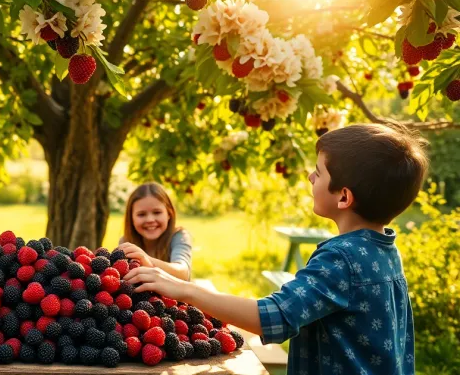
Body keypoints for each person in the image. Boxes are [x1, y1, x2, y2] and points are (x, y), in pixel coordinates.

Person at [125, 123, 428, 375]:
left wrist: (184, 290)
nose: (311, 176)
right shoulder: (385, 250)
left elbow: (274, 317)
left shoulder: (342, 258)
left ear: (344, 197)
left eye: (319, 173)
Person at [118, 183, 193, 280]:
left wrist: (146, 259)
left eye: (157, 212)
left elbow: (183, 273)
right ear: (131, 218)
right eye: (141, 214)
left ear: (169, 214)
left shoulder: (179, 236)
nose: (150, 219)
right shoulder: (126, 241)